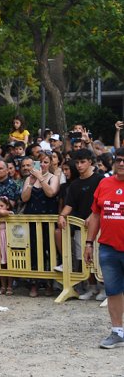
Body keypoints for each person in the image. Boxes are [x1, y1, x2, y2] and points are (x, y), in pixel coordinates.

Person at [84, 147, 124, 348]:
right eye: (119, 159)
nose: (122, 163)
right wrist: (89, 243)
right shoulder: (104, 183)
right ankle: (117, 331)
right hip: (108, 247)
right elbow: (96, 216)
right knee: (113, 290)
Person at [58, 148, 104, 299]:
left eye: (82, 162)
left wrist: (93, 216)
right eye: (77, 162)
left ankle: (104, 287)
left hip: (98, 227)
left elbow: (101, 203)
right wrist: (62, 216)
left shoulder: (100, 180)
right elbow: (69, 204)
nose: (79, 165)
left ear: (90, 162)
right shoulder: (75, 184)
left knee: (100, 258)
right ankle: (91, 288)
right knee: (84, 258)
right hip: (79, 226)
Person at [20, 154, 60, 297]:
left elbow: (51, 193)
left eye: (45, 162)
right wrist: (31, 182)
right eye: (40, 162)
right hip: (31, 220)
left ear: (50, 164)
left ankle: (49, 283)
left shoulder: (53, 178)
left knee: (50, 251)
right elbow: (24, 198)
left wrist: (41, 178)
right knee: (34, 252)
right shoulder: (28, 179)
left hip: (48, 220)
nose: (42, 165)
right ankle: (34, 284)